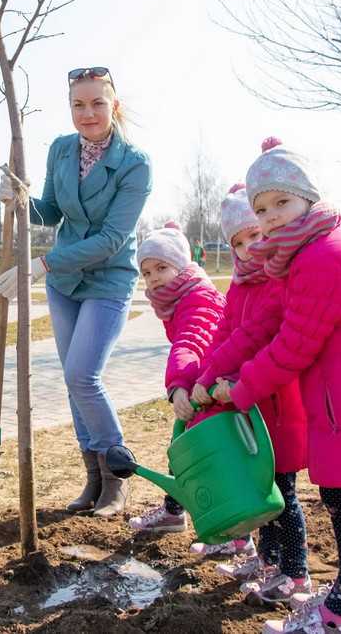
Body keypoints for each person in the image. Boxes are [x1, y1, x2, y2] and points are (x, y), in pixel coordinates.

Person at [211, 137, 341, 633]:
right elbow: (260, 327)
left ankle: (335, 617)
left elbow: (293, 346)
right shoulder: (296, 257)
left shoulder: (323, 256)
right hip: (340, 402)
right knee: (338, 500)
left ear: (309, 199)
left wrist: (239, 389)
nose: (271, 217)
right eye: (262, 208)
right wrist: (212, 376)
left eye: (282, 202)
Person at [0, 66, 151, 517]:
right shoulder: (62, 150)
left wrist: (40, 265)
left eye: (97, 103)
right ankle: (93, 478)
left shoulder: (135, 163)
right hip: (65, 284)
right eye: (78, 105)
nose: (88, 113)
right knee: (73, 381)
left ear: (113, 105)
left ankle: (118, 475)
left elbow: (109, 240)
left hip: (107, 279)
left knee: (84, 375)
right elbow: (50, 212)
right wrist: (19, 198)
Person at [189, 185, 309, 604]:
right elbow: (226, 335)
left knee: (280, 493)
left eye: (253, 237)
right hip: (244, 405)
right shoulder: (239, 287)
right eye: (237, 242)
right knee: (256, 488)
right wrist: (204, 376)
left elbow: (258, 338)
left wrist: (223, 377)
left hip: (278, 405)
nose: (246, 249)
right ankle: (269, 562)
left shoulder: (278, 283)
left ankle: (295, 573)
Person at [126, 226, 225, 533]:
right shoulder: (179, 298)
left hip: (214, 390)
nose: (153, 277)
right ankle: (174, 509)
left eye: (161, 267)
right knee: (182, 444)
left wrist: (178, 384)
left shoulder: (197, 298)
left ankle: (232, 532)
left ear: (182, 265)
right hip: (205, 385)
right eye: (146, 272)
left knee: (212, 458)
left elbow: (191, 342)